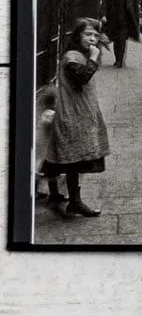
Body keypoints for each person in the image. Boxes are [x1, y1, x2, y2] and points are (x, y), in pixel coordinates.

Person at [40, 18, 110, 218]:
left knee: (72, 160)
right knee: (70, 159)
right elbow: (82, 77)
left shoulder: (80, 54)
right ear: (78, 35)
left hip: (80, 114)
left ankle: (66, 199)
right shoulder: (72, 56)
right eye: (88, 34)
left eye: (96, 35)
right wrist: (94, 57)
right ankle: (73, 201)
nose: (92, 39)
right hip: (71, 116)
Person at [99, 0, 141, 68]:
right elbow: (104, 5)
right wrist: (103, 16)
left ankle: (120, 61)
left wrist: (137, 19)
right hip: (112, 21)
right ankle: (117, 58)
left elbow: (135, 6)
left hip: (125, 21)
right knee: (116, 40)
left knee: (122, 40)